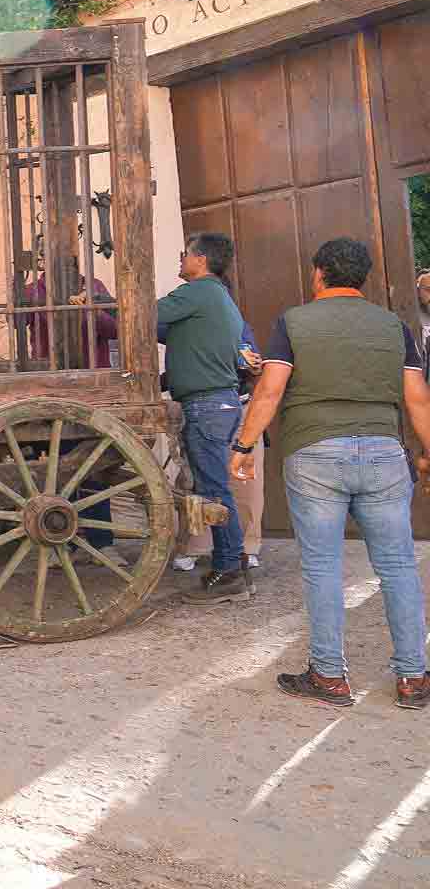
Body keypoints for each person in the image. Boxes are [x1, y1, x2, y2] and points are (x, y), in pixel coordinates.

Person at [229, 238, 430, 710]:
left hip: (314, 452)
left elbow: (270, 390)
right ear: (364, 278)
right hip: (383, 452)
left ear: (318, 273)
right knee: (398, 566)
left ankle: (330, 676)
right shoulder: (393, 327)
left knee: (323, 566)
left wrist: (243, 445)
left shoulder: (293, 323)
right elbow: (417, 397)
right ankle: (413, 678)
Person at [157, 232, 249, 604]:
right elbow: (167, 330)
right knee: (216, 487)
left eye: (185, 254)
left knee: (213, 490)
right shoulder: (216, 296)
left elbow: (142, 314)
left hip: (206, 406)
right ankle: (233, 562)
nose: (181, 260)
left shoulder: (198, 292)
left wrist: (99, 306)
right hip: (218, 403)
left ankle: (229, 572)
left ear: (201, 259)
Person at [175, 307, 266, 572]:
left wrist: (249, 361)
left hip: (238, 404)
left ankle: (247, 547)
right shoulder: (186, 328)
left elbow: (250, 360)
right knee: (197, 480)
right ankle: (195, 545)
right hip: (202, 405)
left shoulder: (237, 325)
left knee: (243, 483)